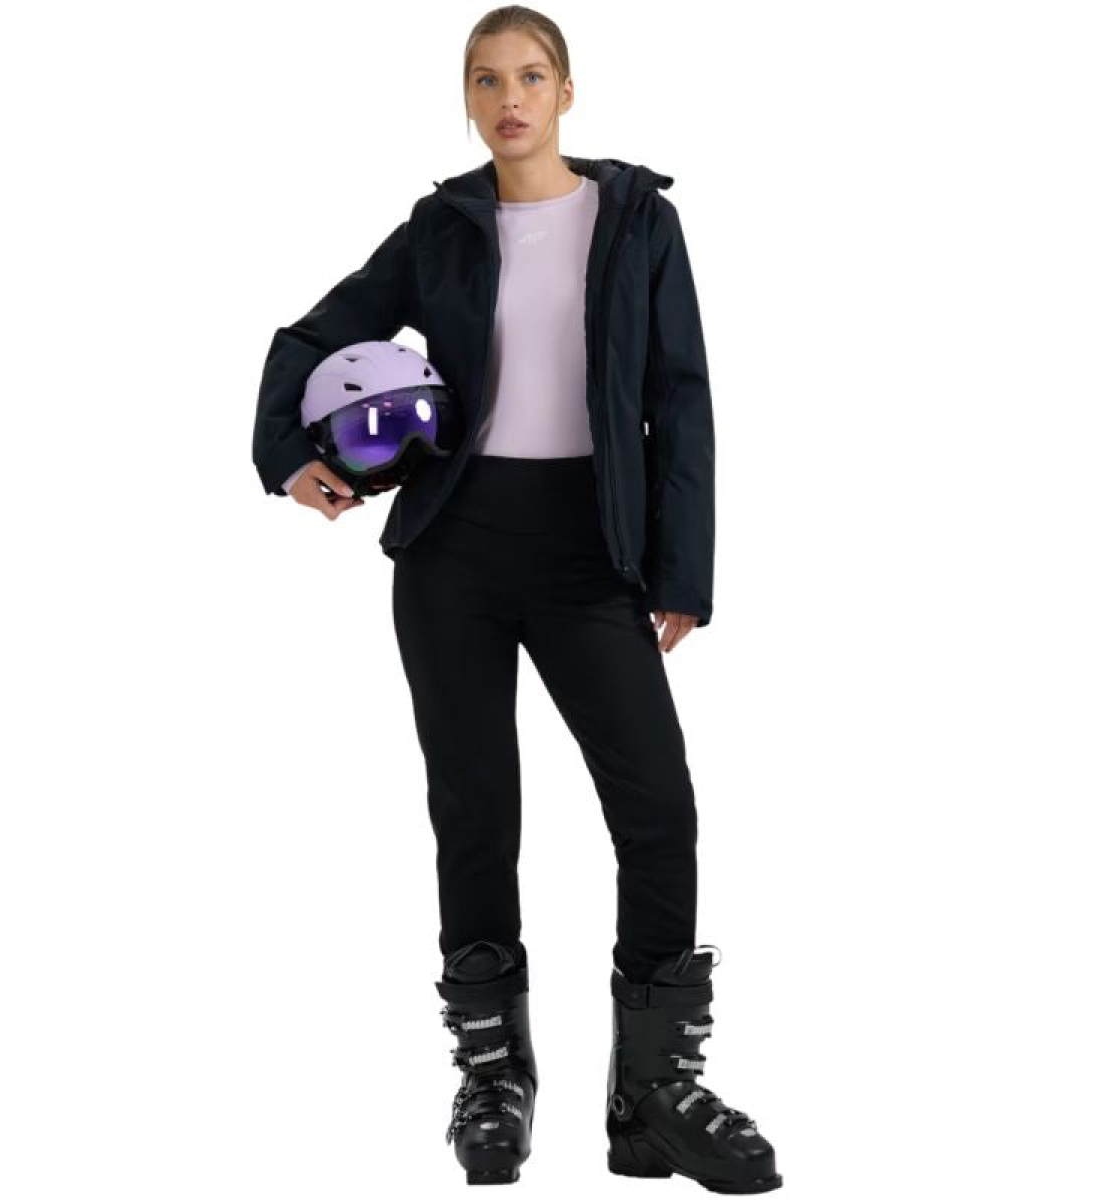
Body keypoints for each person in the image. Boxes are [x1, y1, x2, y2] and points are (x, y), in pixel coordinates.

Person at [251, 7, 781, 1193]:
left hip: (593, 551)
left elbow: (680, 398)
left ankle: (653, 1093)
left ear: (567, 92)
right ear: (469, 99)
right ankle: (494, 1077)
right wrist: (288, 455)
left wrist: (682, 572)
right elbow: (312, 334)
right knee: (475, 811)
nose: (510, 99)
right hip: (457, 551)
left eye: (531, 76)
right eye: (487, 80)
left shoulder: (637, 219)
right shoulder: (440, 229)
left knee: (657, 809)